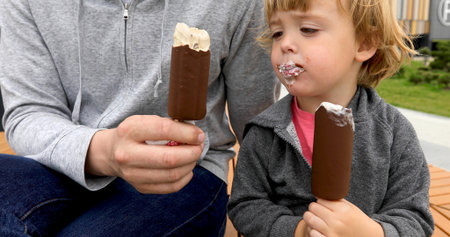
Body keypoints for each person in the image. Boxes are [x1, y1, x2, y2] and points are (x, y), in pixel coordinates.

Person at [0, 0, 279, 236]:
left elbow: (257, 129)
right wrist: (104, 151)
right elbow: (29, 112)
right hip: (61, 164)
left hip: (188, 172)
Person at [227, 0, 434, 236]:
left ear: (364, 43)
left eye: (308, 29)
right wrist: (296, 230)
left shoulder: (394, 133)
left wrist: (371, 232)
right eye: (277, 32)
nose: (285, 43)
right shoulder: (265, 132)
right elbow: (245, 205)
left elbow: (416, 218)